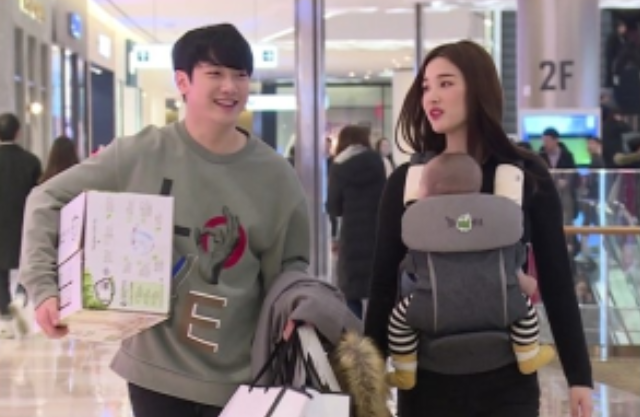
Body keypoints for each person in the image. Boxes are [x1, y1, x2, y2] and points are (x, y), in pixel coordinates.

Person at [20, 24, 311, 417]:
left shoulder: (276, 176)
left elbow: (292, 266)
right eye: (215, 73)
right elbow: (46, 198)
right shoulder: (141, 153)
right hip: (155, 374)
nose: (230, 87)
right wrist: (44, 288)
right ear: (183, 81)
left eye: (240, 75)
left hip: (243, 377)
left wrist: (296, 309)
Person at [364, 40, 593, 417]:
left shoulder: (525, 176)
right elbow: (383, 286)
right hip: (427, 386)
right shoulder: (407, 182)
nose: (431, 96)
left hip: (508, 386)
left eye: (446, 83)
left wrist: (579, 376)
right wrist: (366, 389)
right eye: (426, 86)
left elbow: (556, 278)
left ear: (478, 89)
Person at [386, 153, 554, 390]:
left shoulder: (422, 227)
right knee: (524, 309)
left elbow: (409, 270)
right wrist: (526, 283)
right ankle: (528, 354)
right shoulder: (495, 223)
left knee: (399, 320)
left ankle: (405, 370)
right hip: (497, 304)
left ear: (433, 190)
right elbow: (516, 270)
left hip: (433, 308)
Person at [327, 125, 386, 319]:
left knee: (350, 293)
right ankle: (377, 333)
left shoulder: (339, 165)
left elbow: (333, 207)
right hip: (377, 232)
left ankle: (355, 334)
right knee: (377, 289)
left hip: (351, 237)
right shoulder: (377, 161)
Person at [0, 113, 41, 339]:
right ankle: (19, 298)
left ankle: (5, 317)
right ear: (18, 132)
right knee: (27, 265)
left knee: (0, 273)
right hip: (23, 222)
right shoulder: (31, 161)